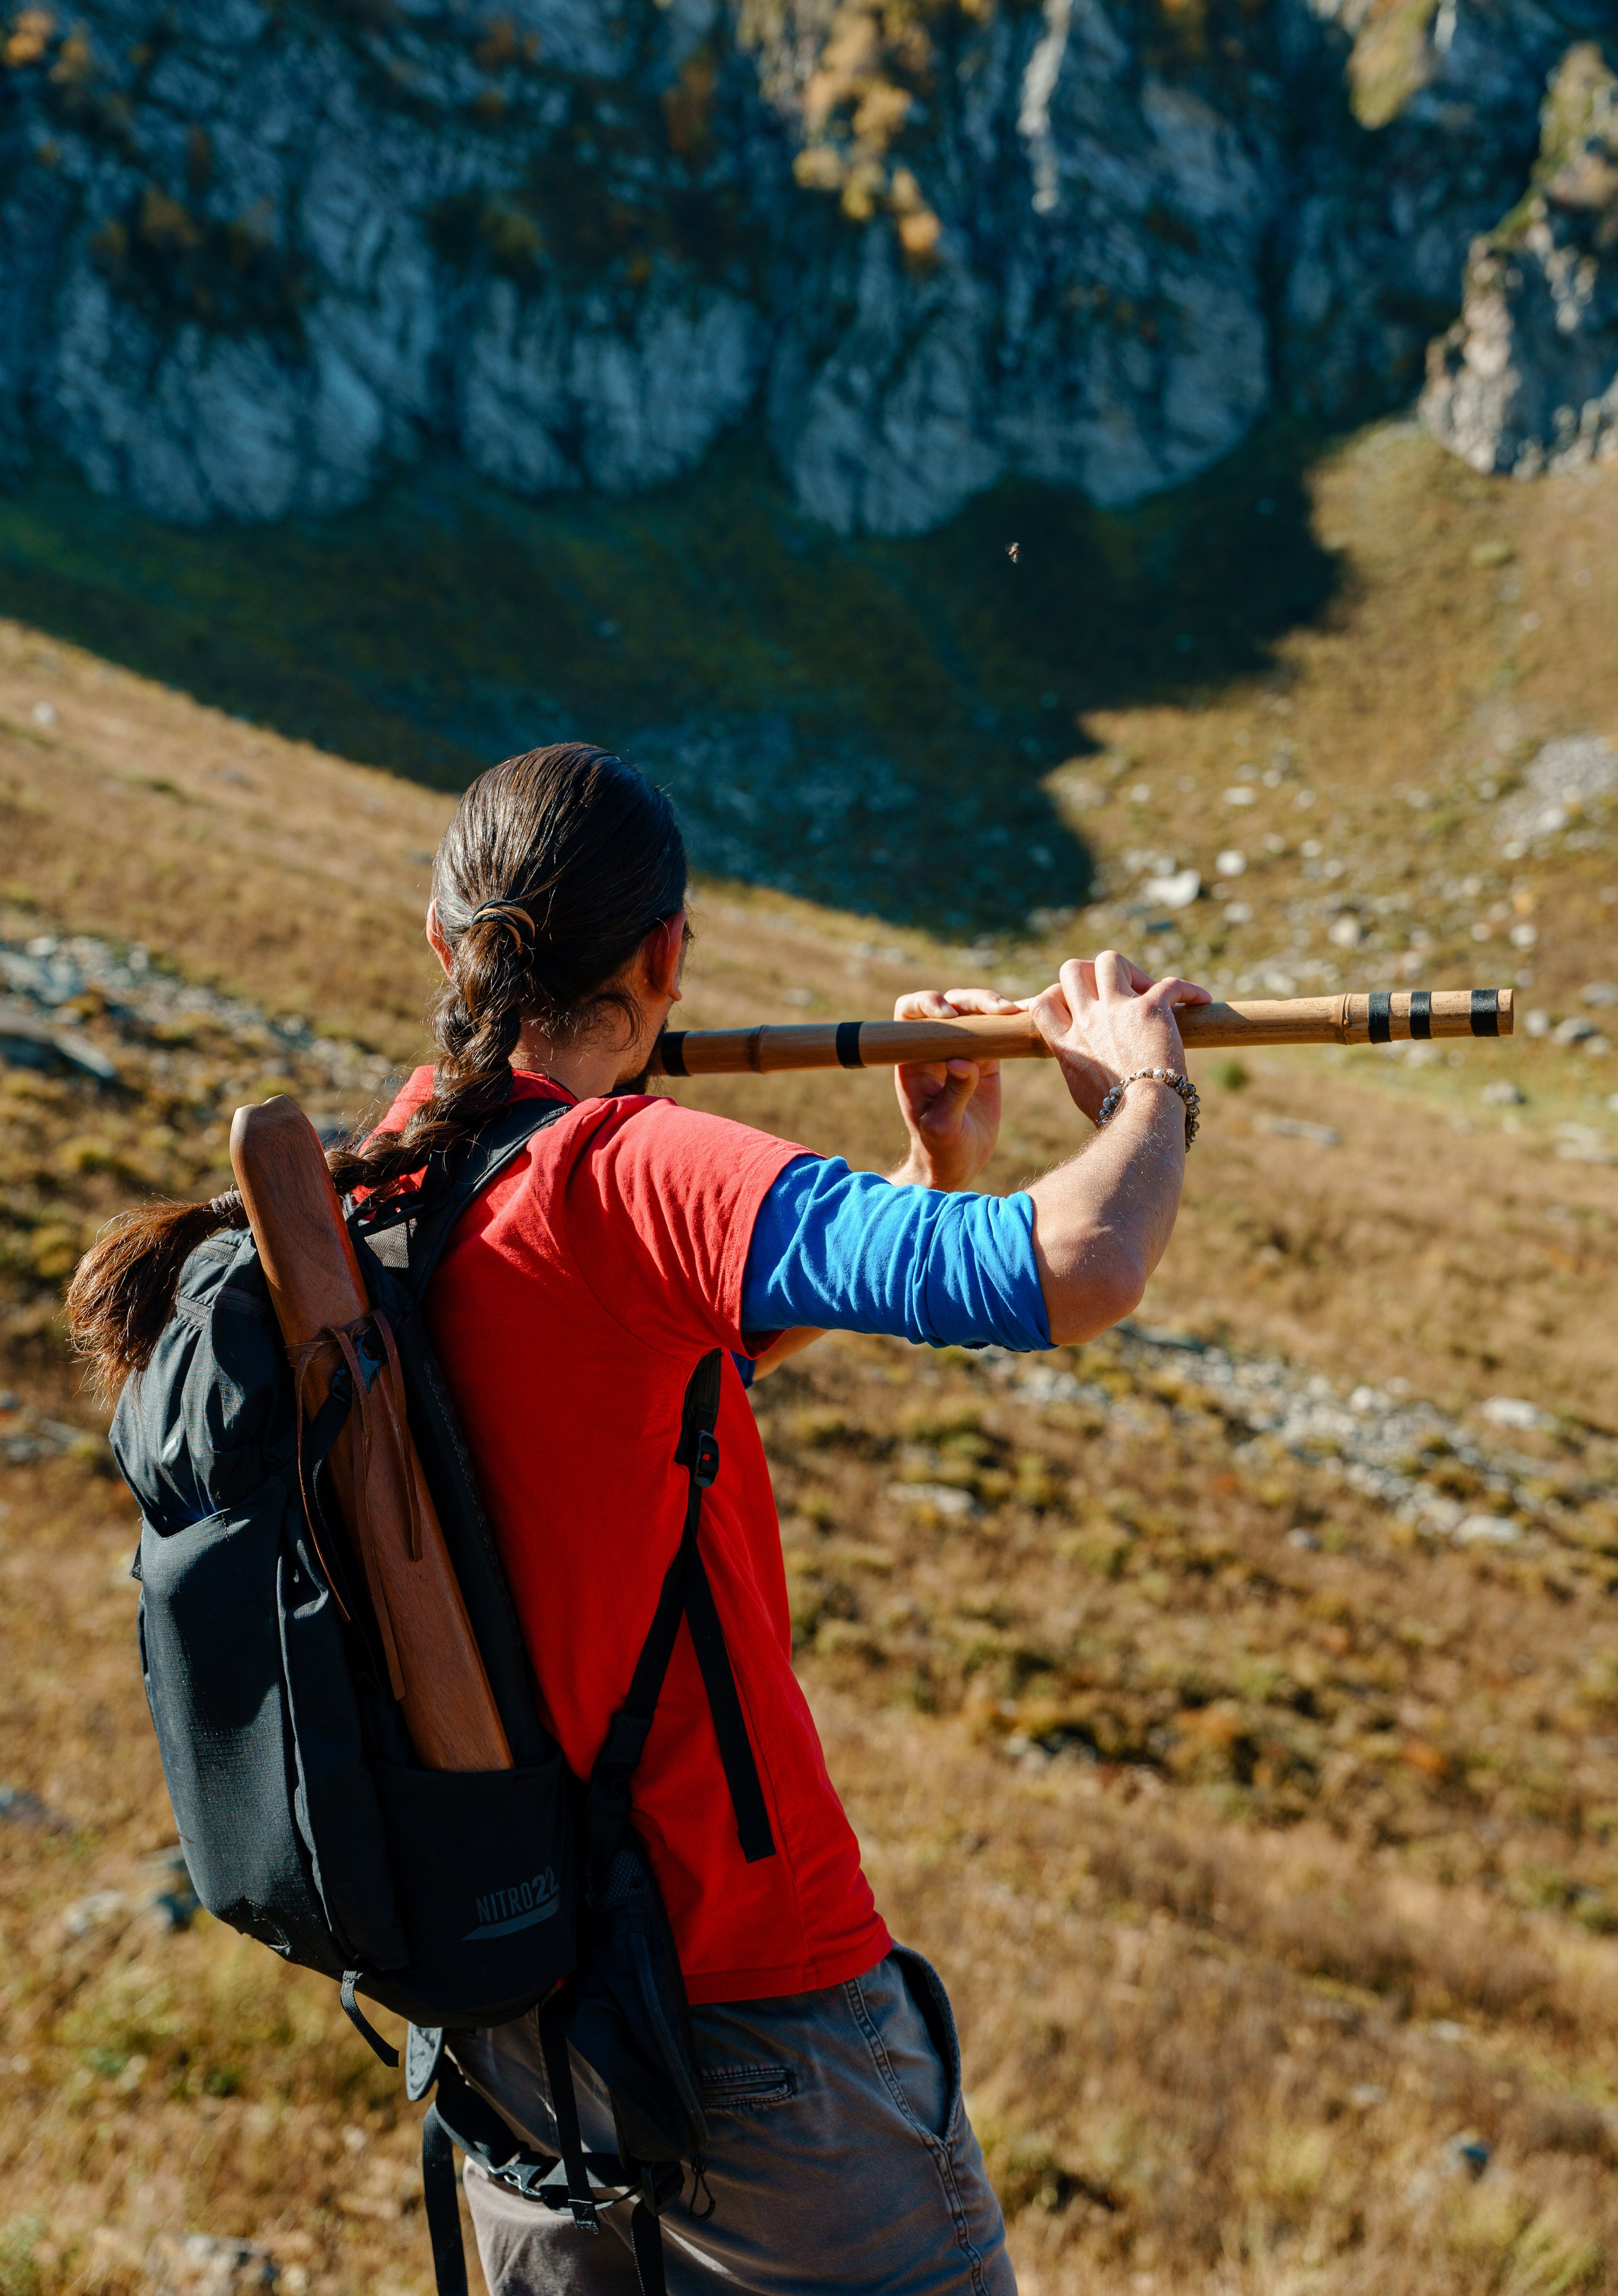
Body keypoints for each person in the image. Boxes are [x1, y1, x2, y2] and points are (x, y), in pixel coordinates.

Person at [78, 741, 1210, 2296]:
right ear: (666, 954)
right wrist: (1140, 1078)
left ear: (442, 944)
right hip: (760, 2025)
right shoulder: (624, 1171)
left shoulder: (377, 1207)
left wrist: (929, 1164)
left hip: (516, 2036)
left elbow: (646, 1356)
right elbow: (1076, 1270)